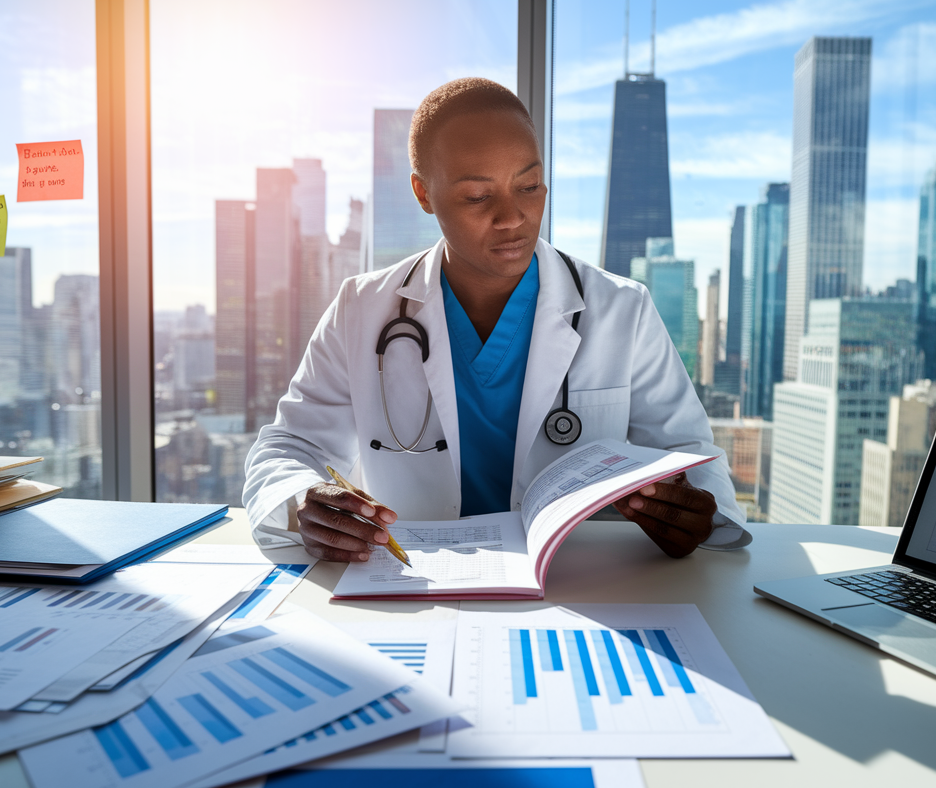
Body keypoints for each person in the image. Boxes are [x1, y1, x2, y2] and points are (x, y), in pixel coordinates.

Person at [243, 77, 750, 562]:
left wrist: (696, 512)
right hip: (415, 584)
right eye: (478, 196)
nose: (512, 217)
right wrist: (303, 501)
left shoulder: (622, 308)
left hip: (578, 589)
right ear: (423, 194)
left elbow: (689, 453)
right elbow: (290, 446)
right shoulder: (361, 308)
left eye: (529, 186)